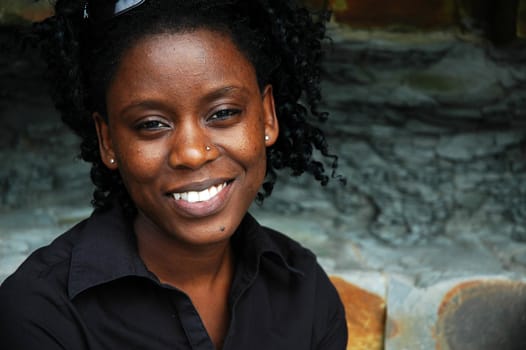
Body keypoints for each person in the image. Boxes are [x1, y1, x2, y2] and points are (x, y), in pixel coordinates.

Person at [0, 0, 348, 349]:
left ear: (267, 117)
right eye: (151, 124)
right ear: (108, 141)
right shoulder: (42, 314)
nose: (192, 153)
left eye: (223, 113)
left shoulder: (304, 292)